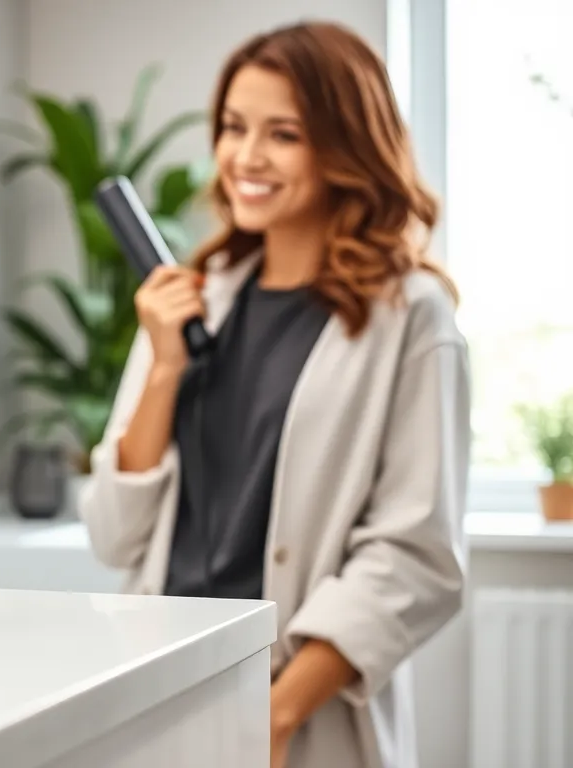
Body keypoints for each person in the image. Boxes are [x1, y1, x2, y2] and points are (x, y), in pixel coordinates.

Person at [77, 20, 469, 768]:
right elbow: (115, 536)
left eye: (283, 134)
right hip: (161, 688)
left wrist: (278, 713)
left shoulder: (411, 316)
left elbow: (417, 554)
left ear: (344, 145)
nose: (246, 157)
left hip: (294, 714)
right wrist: (163, 368)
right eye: (232, 127)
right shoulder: (195, 298)